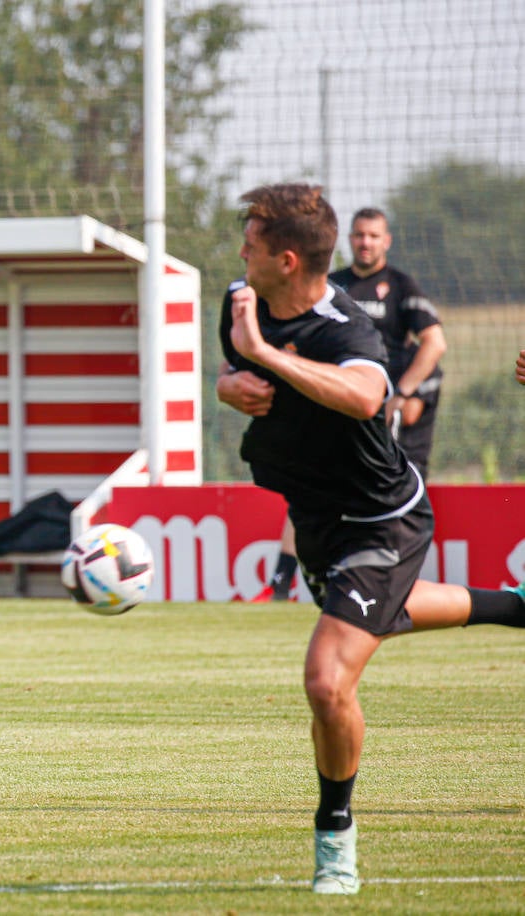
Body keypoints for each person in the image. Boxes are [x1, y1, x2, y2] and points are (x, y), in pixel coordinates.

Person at [215, 182, 525, 895]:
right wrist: (231, 382)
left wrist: (264, 353)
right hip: (319, 524)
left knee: (328, 679)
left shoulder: (347, 329)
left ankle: (336, 840)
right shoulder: (241, 299)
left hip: (382, 520)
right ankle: (516, 608)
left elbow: (364, 395)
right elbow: (238, 374)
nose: (241, 251)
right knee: (380, 615)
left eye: (253, 241)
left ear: (287, 260)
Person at [251, 207, 447, 603]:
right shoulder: (331, 285)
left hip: (374, 406)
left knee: (388, 501)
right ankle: (281, 583)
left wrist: (403, 393)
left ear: (386, 241)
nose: (365, 242)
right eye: (359, 235)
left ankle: (387, 587)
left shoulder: (401, 287)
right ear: (349, 240)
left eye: (374, 236)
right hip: (332, 405)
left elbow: (435, 342)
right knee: (310, 486)